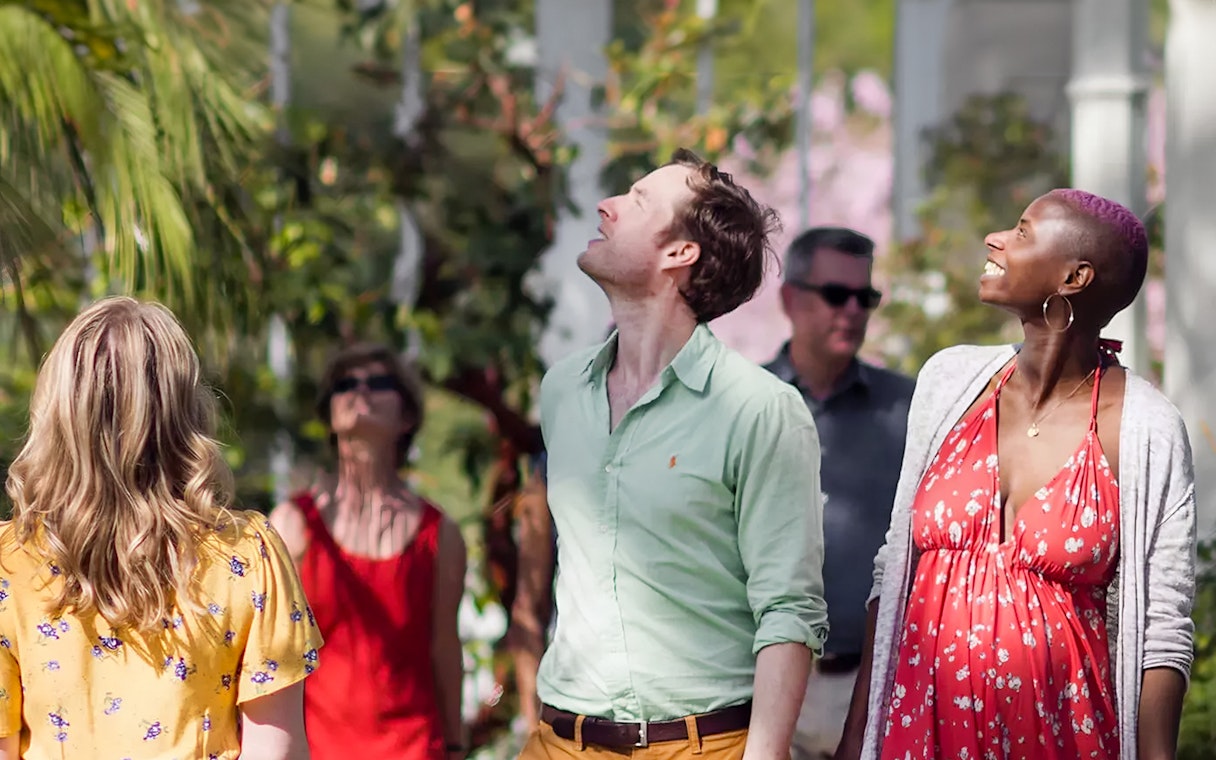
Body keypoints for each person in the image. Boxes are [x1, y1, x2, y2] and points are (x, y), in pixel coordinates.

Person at [835, 189, 1196, 760]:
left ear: (1073, 277)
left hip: (1065, 737)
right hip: (918, 730)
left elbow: (1162, 628)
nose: (995, 239)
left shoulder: (1146, 426)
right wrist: (856, 737)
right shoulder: (949, 382)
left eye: (1023, 232)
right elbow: (894, 570)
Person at [517, 149, 828, 760]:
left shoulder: (761, 409)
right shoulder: (561, 390)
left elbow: (790, 610)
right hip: (559, 742)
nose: (607, 207)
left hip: (703, 747)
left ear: (680, 253)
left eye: (637, 201)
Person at [0, 296, 321, 759]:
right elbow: (276, 750)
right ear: (183, 410)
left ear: (58, 410)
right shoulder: (250, 554)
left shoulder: (9, 562)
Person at [269, 343, 467, 760]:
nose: (360, 391)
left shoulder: (441, 534)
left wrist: (455, 744)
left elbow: (444, 647)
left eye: (378, 382)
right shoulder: (291, 523)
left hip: (415, 748)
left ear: (408, 415)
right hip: (319, 750)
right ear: (329, 415)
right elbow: (270, 658)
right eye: (345, 385)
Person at [764, 227, 914, 760]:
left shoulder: (909, 409)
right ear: (790, 299)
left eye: (865, 297)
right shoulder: (744, 405)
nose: (852, 310)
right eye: (835, 294)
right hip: (763, 685)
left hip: (876, 685)